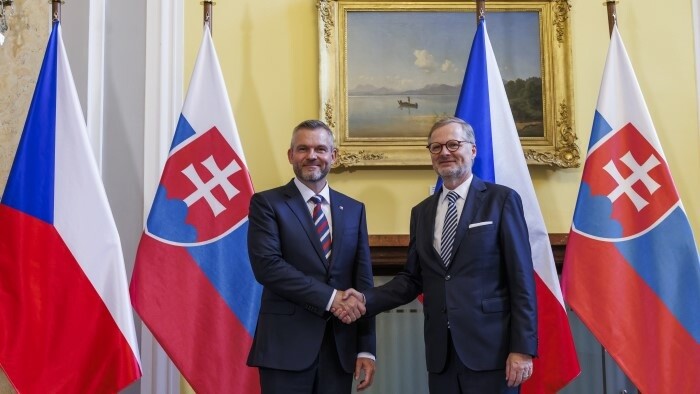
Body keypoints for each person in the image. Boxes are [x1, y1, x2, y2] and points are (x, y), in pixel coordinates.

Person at [338, 117, 537, 393]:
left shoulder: (500, 200)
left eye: (453, 144)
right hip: (441, 354)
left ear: (473, 150)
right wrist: (363, 299)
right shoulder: (422, 212)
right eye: (436, 147)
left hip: (493, 351)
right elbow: (411, 279)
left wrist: (522, 348)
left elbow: (521, 278)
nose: (444, 152)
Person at [247, 119, 376, 394]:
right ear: (291, 155)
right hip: (285, 349)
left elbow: (363, 282)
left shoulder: (354, 209)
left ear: (334, 155)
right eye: (303, 149)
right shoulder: (267, 204)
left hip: (339, 349)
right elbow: (268, 267)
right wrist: (332, 298)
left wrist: (366, 348)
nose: (312, 156)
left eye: (320, 148)